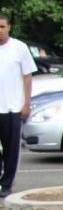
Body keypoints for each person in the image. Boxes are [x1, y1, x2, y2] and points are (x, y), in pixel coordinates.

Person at [0, 13, 36, 198]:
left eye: (2, 27)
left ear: (9, 28)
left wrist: (26, 103)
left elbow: (27, 77)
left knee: (11, 149)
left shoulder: (19, 48)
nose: (0, 31)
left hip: (12, 107)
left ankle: (6, 184)